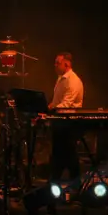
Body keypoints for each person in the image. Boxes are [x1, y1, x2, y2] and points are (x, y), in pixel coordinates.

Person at [48, 52, 85, 186]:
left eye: (57, 63)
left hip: (69, 123)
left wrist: (49, 111)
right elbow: (57, 102)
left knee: (68, 155)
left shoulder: (73, 81)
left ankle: (72, 184)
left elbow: (66, 104)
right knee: (61, 154)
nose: (55, 65)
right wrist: (49, 107)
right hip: (60, 122)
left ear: (67, 64)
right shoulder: (61, 79)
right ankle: (57, 182)